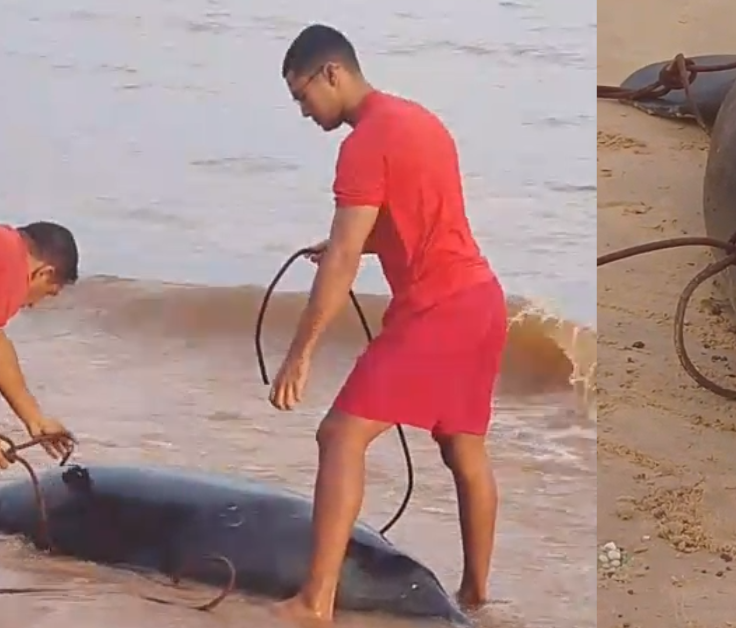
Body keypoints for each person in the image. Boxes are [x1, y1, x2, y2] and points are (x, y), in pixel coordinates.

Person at [269, 24, 509, 623]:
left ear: (333, 74)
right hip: (482, 300)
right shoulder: (418, 120)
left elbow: (346, 261)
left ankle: (313, 601)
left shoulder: (363, 144)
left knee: (340, 436)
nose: (304, 111)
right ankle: (476, 598)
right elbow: (417, 219)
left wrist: (300, 352)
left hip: (439, 311)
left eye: (303, 96)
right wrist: (346, 243)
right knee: (464, 451)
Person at [0, 186, 79, 470]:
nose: (32, 305)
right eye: (48, 292)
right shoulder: (11, 270)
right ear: (44, 272)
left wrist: (34, 418)